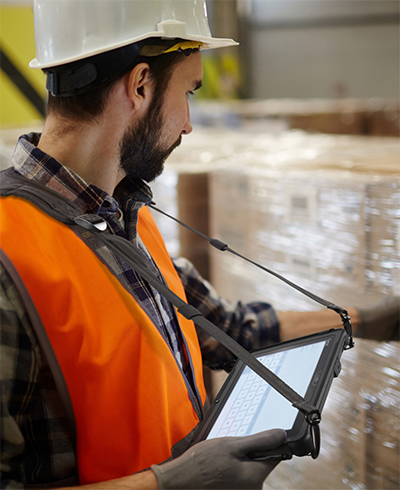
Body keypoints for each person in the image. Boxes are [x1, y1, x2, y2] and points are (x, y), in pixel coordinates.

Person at [0, 1, 399, 489]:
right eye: (188, 91)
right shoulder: (7, 255)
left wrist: (363, 320)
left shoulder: (123, 220)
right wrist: (169, 484)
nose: (188, 124)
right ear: (140, 85)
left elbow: (226, 329)